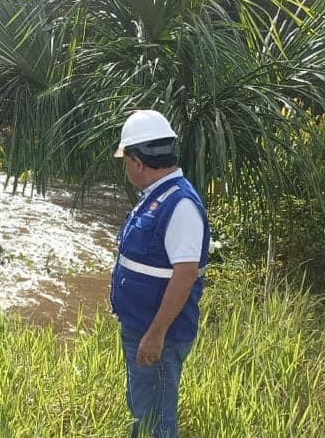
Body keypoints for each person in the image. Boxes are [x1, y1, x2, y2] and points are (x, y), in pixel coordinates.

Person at [110, 110, 210, 438]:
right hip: (144, 329)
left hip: (159, 337)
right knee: (144, 410)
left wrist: (155, 335)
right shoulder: (158, 197)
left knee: (157, 421)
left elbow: (185, 276)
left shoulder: (179, 205)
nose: (126, 169)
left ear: (138, 162)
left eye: (126, 162)